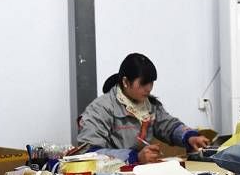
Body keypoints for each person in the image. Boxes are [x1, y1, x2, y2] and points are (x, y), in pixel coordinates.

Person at [77, 53, 210, 164]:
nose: (149, 88)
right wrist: (134, 157)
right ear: (125, 82)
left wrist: (189, 137)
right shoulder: (100, 108)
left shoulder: (149, 105)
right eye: (143, 83)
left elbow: (168, 125)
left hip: (142, 172)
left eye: (151, 82)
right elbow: (89, 153)